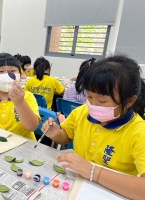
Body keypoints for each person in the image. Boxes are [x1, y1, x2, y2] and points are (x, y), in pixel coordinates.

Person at [42, 55, 145, 199]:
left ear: (129, 101)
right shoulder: (82, 112)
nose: (93, 105)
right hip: (77, 185)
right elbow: (65, 137)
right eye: (89, 97)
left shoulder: (139, 132)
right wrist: (55, 133)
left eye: (102, 100)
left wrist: (92, 171)